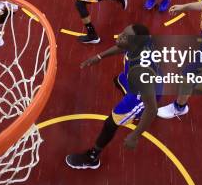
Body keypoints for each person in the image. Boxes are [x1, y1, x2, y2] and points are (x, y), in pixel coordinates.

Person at [66, 24, 160, 169]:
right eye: (123, 32)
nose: (120, 35)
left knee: (111, 123)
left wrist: (135, 135)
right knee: (118, 80)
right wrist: (99, 56)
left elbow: (152, 109)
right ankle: (140, 115)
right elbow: (123, 47)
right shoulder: (142, 42)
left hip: (141, 97)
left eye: (124, 36)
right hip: (147, 84)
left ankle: (92, 157)